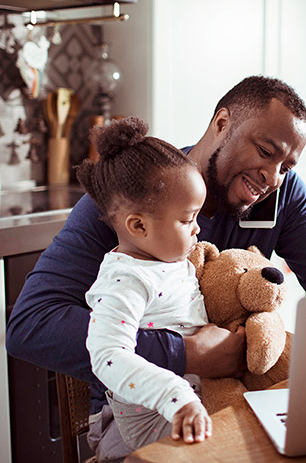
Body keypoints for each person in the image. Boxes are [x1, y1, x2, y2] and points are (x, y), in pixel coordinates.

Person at [6, 75, 306, 461]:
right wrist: (184, 353)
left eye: (287, 165)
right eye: (266, 151)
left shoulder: (283, 195)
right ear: (221, 124)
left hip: (235, 402)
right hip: (146, 418)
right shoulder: (137, 197)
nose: (273, 177)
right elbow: (32, 325)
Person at [79, 117, 211, 451]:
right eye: (187, 219)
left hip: (195, 402)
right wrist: (175, 396)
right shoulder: (125, 280)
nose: (197, 229)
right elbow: (108, 355)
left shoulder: (167, 260)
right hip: (156, 420)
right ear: (138, 226)